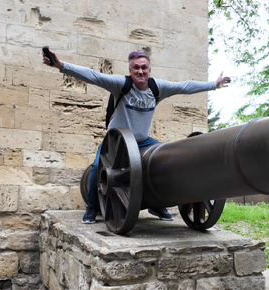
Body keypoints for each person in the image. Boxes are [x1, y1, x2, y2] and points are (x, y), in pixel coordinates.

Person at [42, 49, 231, 223]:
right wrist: (61, 65)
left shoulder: (157, 88)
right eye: (136, 68)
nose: (140, 71)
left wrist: (214, 85)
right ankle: (91, 208)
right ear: (130, 70)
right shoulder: (121, 85)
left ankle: (157, 206)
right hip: (116, 142)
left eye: (144, 68)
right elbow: (93, 76)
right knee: (96, 168)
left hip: (142, 141)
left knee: (165, 160)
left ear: (149, 70)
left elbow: (184, 86)